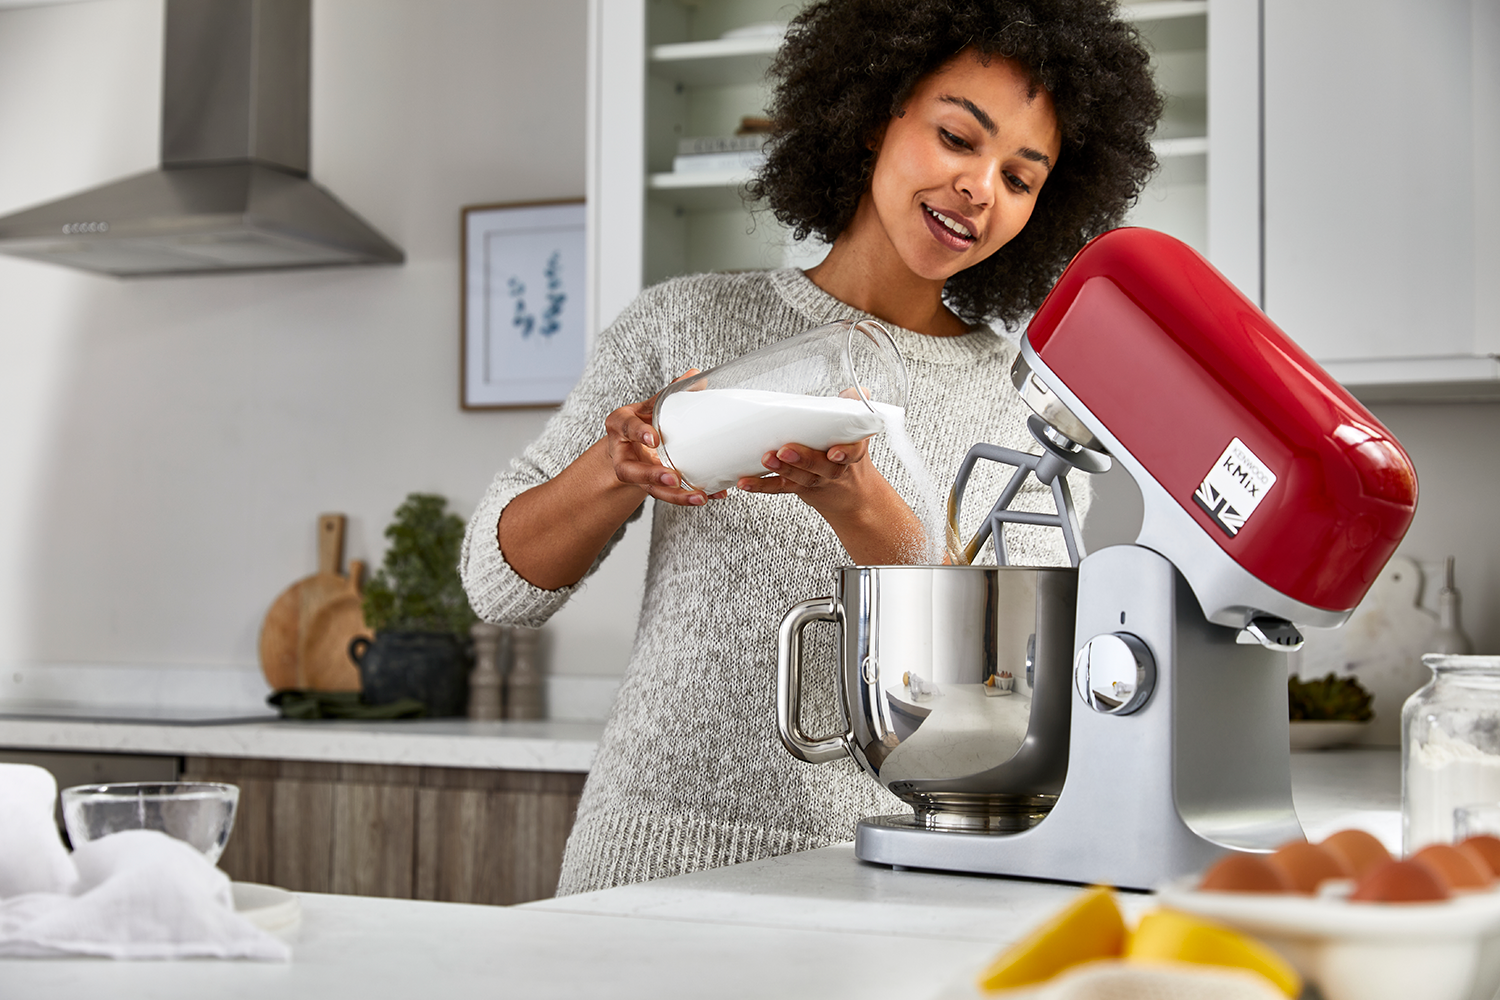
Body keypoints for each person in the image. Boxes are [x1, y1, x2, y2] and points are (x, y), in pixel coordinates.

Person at [461, 0, 1162, 894]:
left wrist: (861, 507)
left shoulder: (1023, 410)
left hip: (876, 868)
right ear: (874, 116)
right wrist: (615, 468)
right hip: (644, 853)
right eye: (957, 137)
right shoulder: (685, 323)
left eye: (1021, 179)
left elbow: (996, 695)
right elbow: (499, 586)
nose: (981, 188)